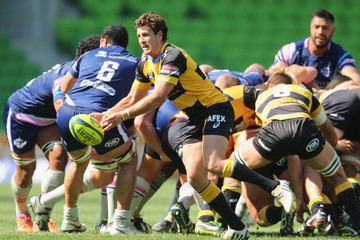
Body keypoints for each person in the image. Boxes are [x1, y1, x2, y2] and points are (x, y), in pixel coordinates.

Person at [30, 24, 140, 234]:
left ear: (104, 41)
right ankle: (120, 224)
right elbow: (134, 98)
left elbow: (63, 87)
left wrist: (61, 104)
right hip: (98, 115)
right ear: (125, 44)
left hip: (68, 113)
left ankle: (69, 219)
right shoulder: (135, 62)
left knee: (79, 163)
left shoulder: (87, 56)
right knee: (128, 159)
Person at [233, 72, 360, 233]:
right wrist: (336, 145)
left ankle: (224, 220)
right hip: (302, 131)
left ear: (271, 84)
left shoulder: (260, 96)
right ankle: (346, 222)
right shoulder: (304, 92)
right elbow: (325, 126)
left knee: (232, 163)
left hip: (270, 139)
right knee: (336, 175)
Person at [2, 34, 100, 232]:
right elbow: (59, 101)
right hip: (22, 115)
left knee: (58, 156)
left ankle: (43, 213)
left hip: (48, 121)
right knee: (26, 172)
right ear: (88, 58)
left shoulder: (88, 75)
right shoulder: (69, 73)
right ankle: (22, 213)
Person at [272, 8, 360, 89]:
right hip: (295, 100)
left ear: (332, 31)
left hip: (326, 101)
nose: (320, 32)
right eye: (317, 27)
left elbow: (352, 75)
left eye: (325, 28)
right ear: (310, 28)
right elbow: (274, 74)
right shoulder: (290, 51)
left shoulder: (341, 55)